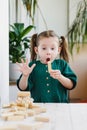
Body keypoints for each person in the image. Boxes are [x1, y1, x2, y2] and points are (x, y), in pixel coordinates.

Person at [16, 30, 77, 103]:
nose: (48, 52)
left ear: (58, 50)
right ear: (36, 50)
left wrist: (60, 77)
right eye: (44, 48)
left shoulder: (62, 64)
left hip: (60, 106)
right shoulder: (32, 66)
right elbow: (22, 88)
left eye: (52, 48)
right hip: (38, 107)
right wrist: (25, 76)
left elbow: (71, 85)